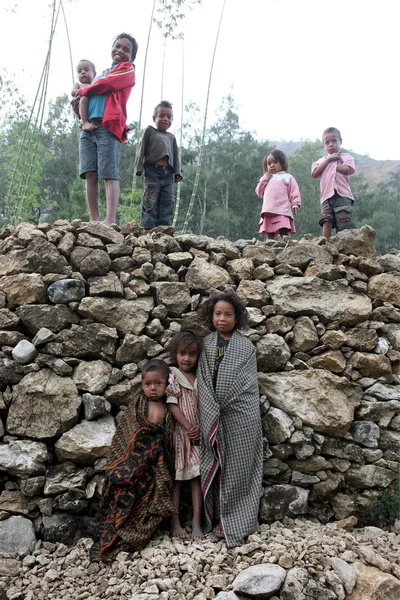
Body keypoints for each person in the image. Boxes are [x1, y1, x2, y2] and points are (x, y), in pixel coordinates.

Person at [89, 359, 177, 563]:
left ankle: (135, 533)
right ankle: (113, 534)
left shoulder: (169, 408)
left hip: (153, 466)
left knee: (151, 496)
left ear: (167, 385)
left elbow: (167, 440)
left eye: (158, 384)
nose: (153, 388)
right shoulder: (137, 407)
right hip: (132, 466)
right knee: (122, 492)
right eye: (148, 384)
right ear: (142, 385)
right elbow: (126, 437)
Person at [197, 291, 263, 548]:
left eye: (228, 314)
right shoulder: (205, 345)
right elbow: (201, 378)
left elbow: (247, 385)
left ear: (237, 318)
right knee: (213, 466)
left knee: (238, 469)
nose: (222, 318)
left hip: (241, 417)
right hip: (211, 413)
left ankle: (233, 522)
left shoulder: (246, 347)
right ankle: (214, 517)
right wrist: (213, 405)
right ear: (211, 316)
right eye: (218, 314)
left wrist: (226, 401)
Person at [72, 33, 138, 226]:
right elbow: (90, 96)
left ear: (132, 57)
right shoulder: (100, 72)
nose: (120, 51)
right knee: (89, 172)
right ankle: (94, 219)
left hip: (107, 125)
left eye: (126, 49)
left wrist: (83, 90)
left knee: (109, 173)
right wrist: (79, 108)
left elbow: (106, 85)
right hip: (88, 126)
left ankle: (110, 219)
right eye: (117, 46)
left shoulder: (127, 70)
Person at [166, 330, 204, 540]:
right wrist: (189, 427)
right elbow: (172, 405)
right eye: (182, 353)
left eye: (191, 354)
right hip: (181, 435)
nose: (187, 358)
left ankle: (197, 522)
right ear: (176, 354)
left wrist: (198, 429)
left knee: (197, 477)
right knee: (178, 478)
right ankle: (175, 521)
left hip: (197, 436)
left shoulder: (200, 375)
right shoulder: (173, 375)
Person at [135, 100, 182, 229]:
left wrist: (177, 172)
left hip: (168, 174)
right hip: (152, 172)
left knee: (167, 201)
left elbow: (175, 156)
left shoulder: (171, 137)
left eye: (169, 117)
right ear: (154, 118)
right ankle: (148, 229)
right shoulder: (149, 131)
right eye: (162, 115)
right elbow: (142, 149)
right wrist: (139, 168)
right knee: (150, 200)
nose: (165, 119)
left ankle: (164, 230)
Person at [312, 127, 356, 239]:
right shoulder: (321, 161)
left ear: (340, 141)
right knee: (326, 220)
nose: (331, 144)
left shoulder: (346, 157)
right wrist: (329, 160)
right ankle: (325, 245)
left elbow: (347, 169)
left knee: (344, 220)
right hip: (326, 197)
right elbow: (315, 173)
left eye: (334, 141)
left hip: (342, 195)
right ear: (323, 145)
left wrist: (333, 164)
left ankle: (346, 246)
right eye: (327, 142)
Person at [255, 149, 301, 240]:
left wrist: (295, 204)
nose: (272, 165)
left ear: (282, 163)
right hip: (269, 209)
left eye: (275, 162)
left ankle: (287, 243)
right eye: (269, 163)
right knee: (270, 231)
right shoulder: (267, 179)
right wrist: (265, 178)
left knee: (283, 229)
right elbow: (259, 192)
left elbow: (294, 191)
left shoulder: (287, 177)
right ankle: (269, 245)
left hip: (282, 209)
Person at [71, 60, 96, 131]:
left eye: (86, 70)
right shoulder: (78, 85)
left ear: (94, 74)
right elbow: (72, 92)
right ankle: (84, 122)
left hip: (92, 111)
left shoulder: (95, 85)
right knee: (84, 98)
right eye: (79, 71)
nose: (83, 72)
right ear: (77, 76)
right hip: (81, 104)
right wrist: (83, 91)